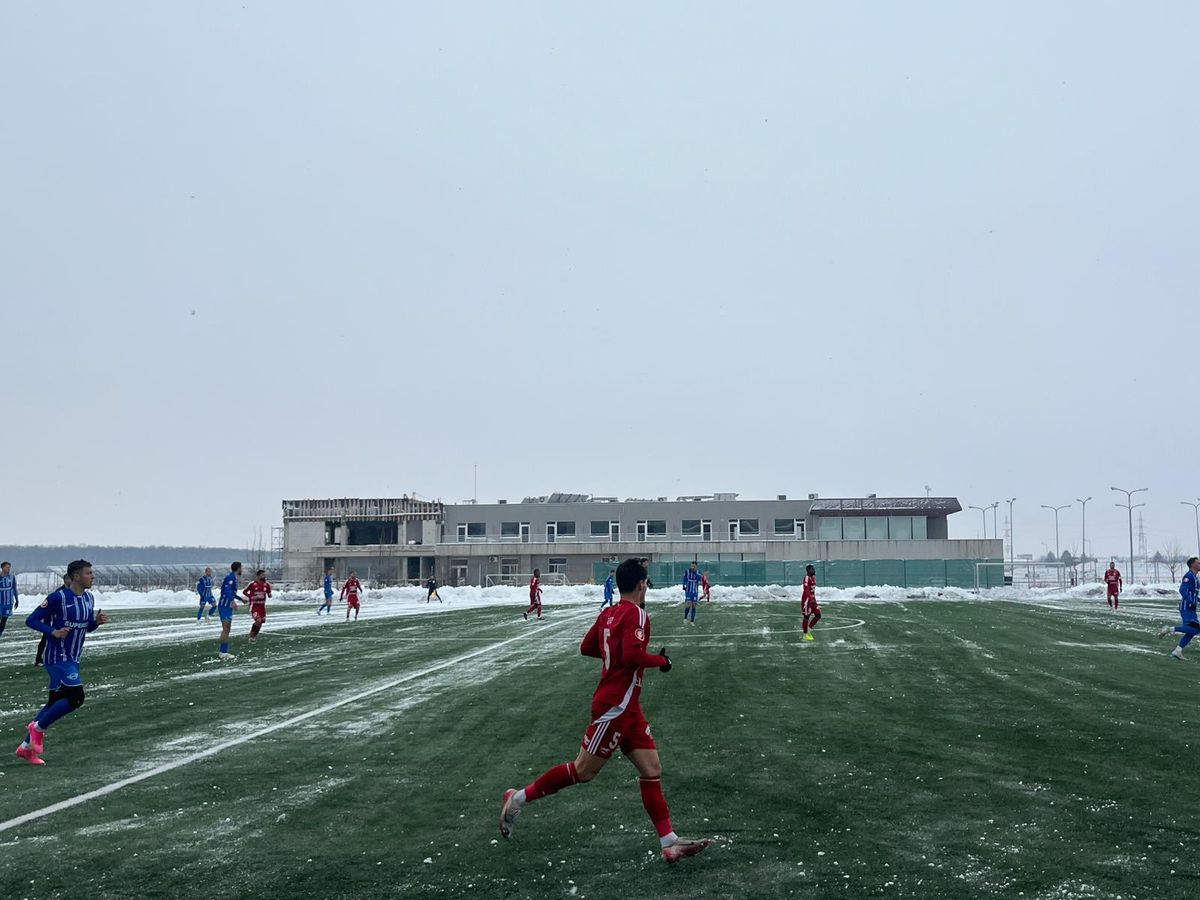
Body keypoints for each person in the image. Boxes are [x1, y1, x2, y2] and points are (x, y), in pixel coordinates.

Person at [498, 558, 709, 862]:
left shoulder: (609, 613)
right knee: (583, 771)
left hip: (628, 706)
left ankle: (669, 842)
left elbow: (587, 647)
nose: (646, 587)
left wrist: (611, 657)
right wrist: (662, 662)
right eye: (646, 582)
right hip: (615, 707)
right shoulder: (636, 613)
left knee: (651, 770)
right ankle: (516, 798)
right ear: (640, 585)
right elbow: (632, 655)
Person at [15, 559, 110, 765]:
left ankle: (25, 749)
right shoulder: (57, 598)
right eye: (88, 573)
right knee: (76, 698)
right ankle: (37, 728)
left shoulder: (88, 598)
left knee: (55, 702)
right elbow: (31, 620)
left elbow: (84, 627)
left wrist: (96, 623)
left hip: (74, 657)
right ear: (76, 576)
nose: (92, 576)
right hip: (56, 657)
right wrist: (53, 632)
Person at [1158, 557, 1200, 660]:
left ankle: (1178, 651)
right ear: (1192, 565)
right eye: (1198, 563)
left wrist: (1197, 600)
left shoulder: (1195, 577)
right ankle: (1169, 629)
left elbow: (1192, 594)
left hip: (1191, 608)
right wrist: (1190, 601)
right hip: (1186, 607)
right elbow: (1182, 590)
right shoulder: (1189, 576)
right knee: (1195, 629)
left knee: (1193, 630)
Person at [34, 575, 69, 666]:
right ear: (66, 580)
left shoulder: (70, 592)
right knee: (46, 638)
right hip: (51, 619)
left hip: (61, 620)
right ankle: (38, 659)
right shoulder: (58, 593)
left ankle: (60, 658)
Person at [217, 561, 242, 660]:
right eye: (241, 567)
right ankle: (223, 652)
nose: (242, 569)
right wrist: (233, 601)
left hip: (228, 607)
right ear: (238, 568)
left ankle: (223, 651)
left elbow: (231, 592)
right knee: (226, 629)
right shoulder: (230, 578)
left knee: (227, 629)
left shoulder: (234, 578)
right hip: (224, 606)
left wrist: (240, 599)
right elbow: (227, 591)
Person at [243, 569, 272, 643]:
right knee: (258, 620)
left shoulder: (267, 584)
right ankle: (251, 636)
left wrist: (269, 595)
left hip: (262, 607)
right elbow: (245, 591)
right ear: (258, 576)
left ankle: (254, 636)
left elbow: (269, 593)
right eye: (263, 575)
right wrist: (251, 596)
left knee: (262, 621)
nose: (264, 576)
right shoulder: (252, 584)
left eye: (265, 575)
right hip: (254, 606)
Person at [801, 564, 821, 641]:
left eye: (814, 569)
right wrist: (810, 599)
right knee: (806, 616)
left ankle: (809, 628)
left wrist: (814, 601)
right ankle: (805, 634)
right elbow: (806, 589)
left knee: (818, 615)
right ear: (808, 571)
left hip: (812, 600)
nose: (814, 570)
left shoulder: (813, 578)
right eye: (812, 569)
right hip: (806, 601)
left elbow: (813, 592)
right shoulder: (806, 578)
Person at [0, 561, 19, 637]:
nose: (9, 569)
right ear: (2, 568)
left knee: (4, 621)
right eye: (7, 567)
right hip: (0, 603)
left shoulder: (12, 577)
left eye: (9, 567)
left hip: (9, 603)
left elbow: (14, 588)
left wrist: (17, 600)